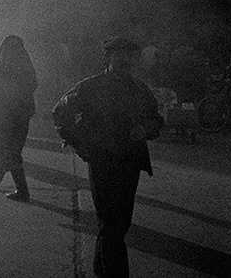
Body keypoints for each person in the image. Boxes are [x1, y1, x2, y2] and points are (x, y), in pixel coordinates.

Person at [53, 37, 164, 277]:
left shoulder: (140, 90)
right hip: (103, 161)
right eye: (118, 54)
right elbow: (61, 112)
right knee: (111, 224)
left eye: (129, 55)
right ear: (107, 58)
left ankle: (100, 269)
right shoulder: (90, 86)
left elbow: (156, 119)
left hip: (130, 163)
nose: (125, 60)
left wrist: (145, 129)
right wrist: (81, 144)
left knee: (119, 224)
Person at [0, 35, 38, 202]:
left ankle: (1, 184)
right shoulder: (24, 63)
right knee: (10, 150)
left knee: (7, 150)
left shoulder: (1, 62)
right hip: (19, 113)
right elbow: (33, 83)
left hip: (7, 114)